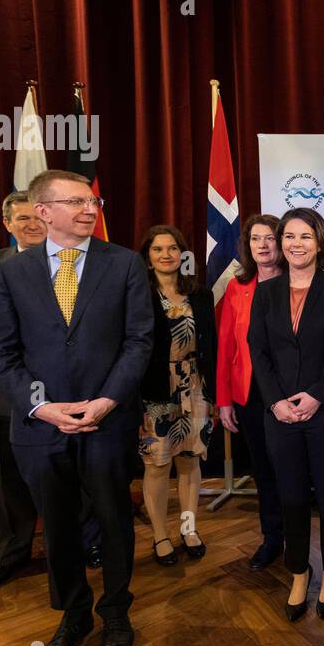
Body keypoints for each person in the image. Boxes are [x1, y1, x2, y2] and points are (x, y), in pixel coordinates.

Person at [0, 169, 153, 646]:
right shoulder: (11, 274)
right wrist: (41, 407)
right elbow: (0, 354)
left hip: (107, 419)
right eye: (76, 201)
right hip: (40, 426)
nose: (89, 209)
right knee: (56, 527)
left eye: (92, 201)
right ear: (43, 211)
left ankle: (116, 612)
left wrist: (105, 401)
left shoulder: (123, 264)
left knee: (114, 520)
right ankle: (74, 614)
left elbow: (139, 341)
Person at [0, 191, 105, 593]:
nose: (32, 225)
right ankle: (11, 554)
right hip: (11, 398)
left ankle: (90, 543)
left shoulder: (85, 264)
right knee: (14, 482)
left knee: (83, 475)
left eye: (37, 218)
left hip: (76, 394)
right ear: (7, 224)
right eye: (21, 220)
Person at [247, 208, 324, 621]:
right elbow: (258, 350)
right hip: (278, 413)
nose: (296, 244)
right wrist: (275, 401)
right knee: (290, 495)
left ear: (320, 242)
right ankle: (298, 570)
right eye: (288, 236)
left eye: (305, 236)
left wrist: (315, 395)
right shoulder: (266, 292)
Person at [137, 225, 217, 565]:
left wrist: (212, 390)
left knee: (189, 462)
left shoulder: (200, 294)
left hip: (195, 388)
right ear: (148, 256)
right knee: (157, 466)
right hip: (156, 391)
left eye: (172, 248)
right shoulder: (137, 293)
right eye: (158, 249)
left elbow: (210, 345)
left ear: (183, 254)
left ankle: (188, 528)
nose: (166, 254)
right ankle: (160, 535)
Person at [216, 214, 285, 570]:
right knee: (264, 469)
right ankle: (272, 537)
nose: (263, 245)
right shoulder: (236, 287)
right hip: (250, 394)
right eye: (256, 239)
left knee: (291, 467)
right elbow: (226, 345)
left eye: (270, 238)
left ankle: (298, 534)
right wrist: (224, 399)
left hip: (289, 394)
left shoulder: (298, 283)